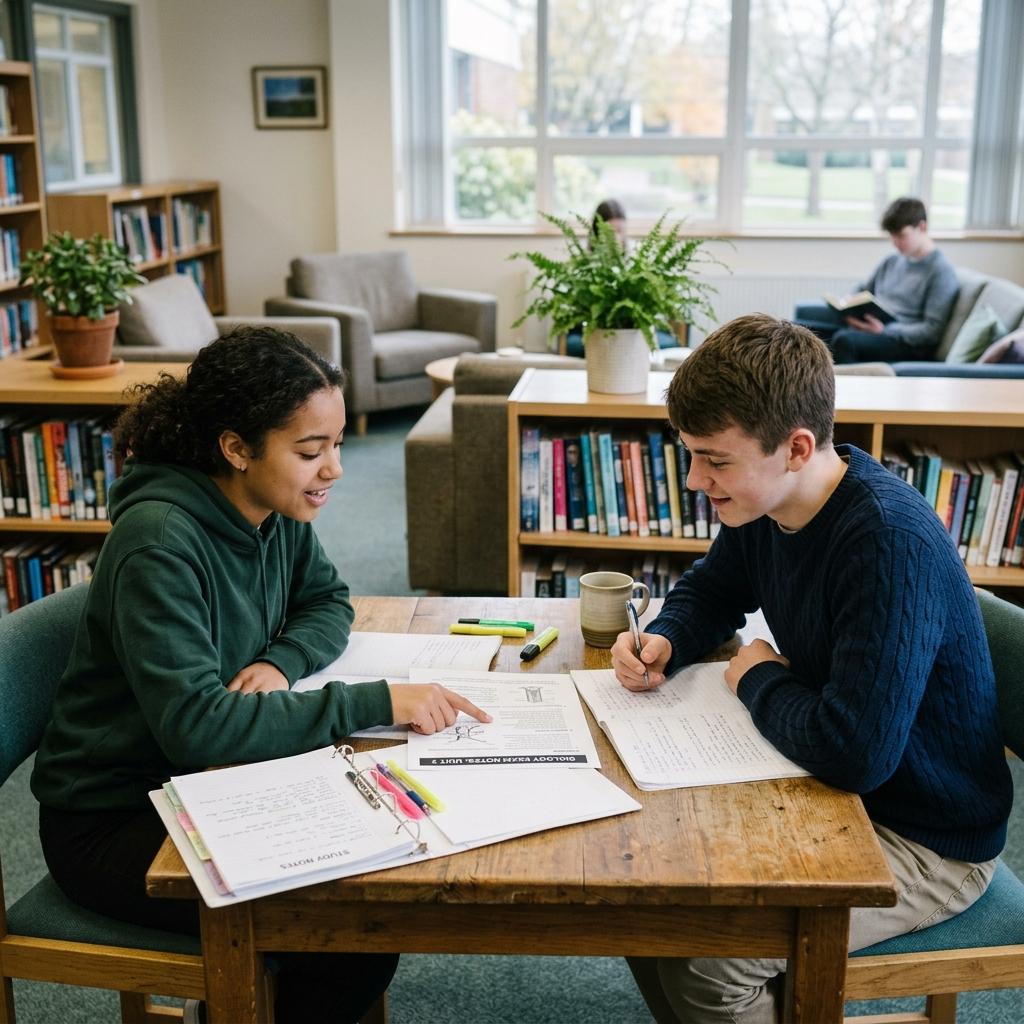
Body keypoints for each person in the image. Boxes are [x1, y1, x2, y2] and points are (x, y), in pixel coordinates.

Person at [30, 326, 491, 1024]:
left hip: (204, 784)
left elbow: (327, 602)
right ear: (236, 448)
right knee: (347, 933)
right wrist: (377, 700)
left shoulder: (271, 508)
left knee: (375, 880)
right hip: (116, 818)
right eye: (311, 451)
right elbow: (199, 730)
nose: (334, 468)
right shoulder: (159, 542)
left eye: (336, 444)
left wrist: (281, 661)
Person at [611, 314, 1011, 1024]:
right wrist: (668, 636)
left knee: (711, 955)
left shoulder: (885, 543)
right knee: (650, 889)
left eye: (716, 460)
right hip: (826, 790)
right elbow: (711, 589)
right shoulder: (765, 503)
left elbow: (853, 753)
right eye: (691, 455)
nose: (697, 479)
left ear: (796, 448)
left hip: (926, 835)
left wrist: (757, 675)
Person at [794, 196, 959, 364]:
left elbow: (931, 332)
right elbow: (864, 289)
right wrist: (847, 306)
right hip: (873, 328)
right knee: (797, 331)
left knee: (845, 340)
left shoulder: (941, 272)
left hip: (903, 342)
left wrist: (884, 330)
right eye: (892, 236)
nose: (895, 243)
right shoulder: (892, 261)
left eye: (901, 235)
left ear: (922, 227)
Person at [564, 198, 678, 356]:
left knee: (643, 340)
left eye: (620, 231)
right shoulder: (584, 262)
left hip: (631, 328)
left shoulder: (637, 259)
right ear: (598, 232)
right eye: (611, 231)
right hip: (595, 328)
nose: (616, 237)